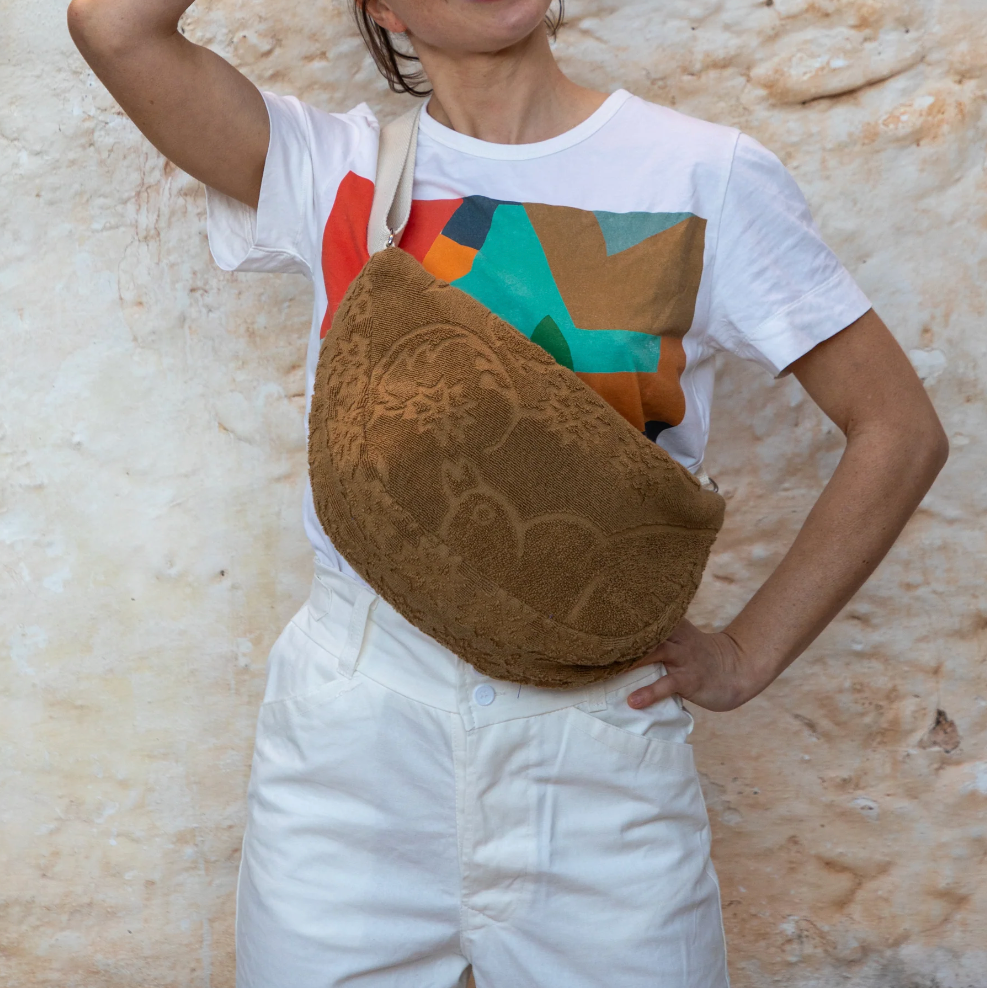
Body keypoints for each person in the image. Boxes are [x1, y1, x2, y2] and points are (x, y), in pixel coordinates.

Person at [66, 1, 949, 985]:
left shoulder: (704, 175)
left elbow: (898, 429)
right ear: (383, 8)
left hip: (597, 743)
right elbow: (115, 29)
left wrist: (747, 654)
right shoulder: (330, 169)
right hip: (355, 747)